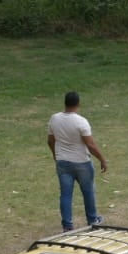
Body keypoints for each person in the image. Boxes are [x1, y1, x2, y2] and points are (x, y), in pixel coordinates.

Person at [48, 91, 107, 232]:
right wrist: (102, 160)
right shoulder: (81, 122)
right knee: (88, 192)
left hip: (62, 162)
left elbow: (50, 140)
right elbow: (91, 145)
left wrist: (55, 155)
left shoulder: (54, 119)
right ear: (78, 104)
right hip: (82, 162)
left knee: (66, 194)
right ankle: (92, 220)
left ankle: (67, 225)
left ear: (65, 103)